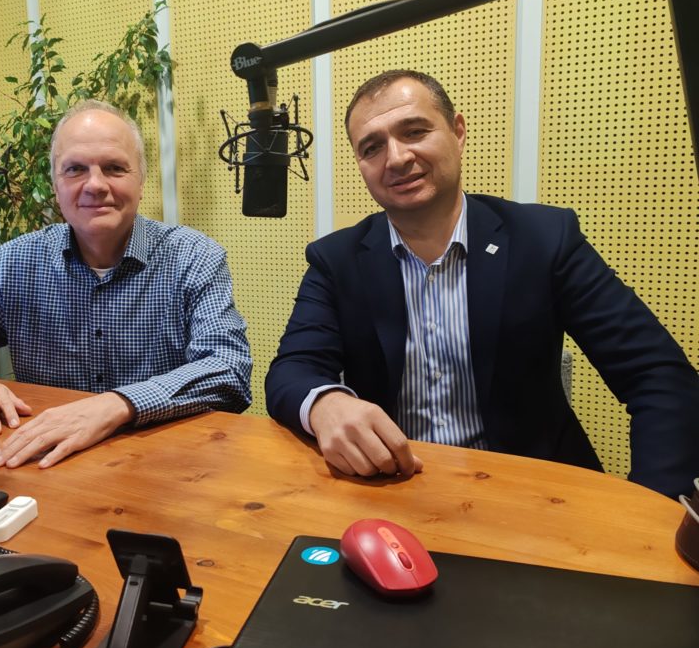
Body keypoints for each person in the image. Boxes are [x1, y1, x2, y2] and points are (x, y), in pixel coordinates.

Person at [265, 69, 699, 498]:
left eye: (414, 131)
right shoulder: (336, 260)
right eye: (372, 147)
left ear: (458, 132)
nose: (395, 158)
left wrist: (654, 512)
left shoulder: (545, 239)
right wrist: (325, 403)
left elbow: (657, 375)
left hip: (534, 496)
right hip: (393, 490)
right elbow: (291, 371)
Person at [0, 100, 252, 469]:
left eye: (114, 168)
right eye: (75, 169)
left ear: (141, 181)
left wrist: (118, 405)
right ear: (55, 185)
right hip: (48, 466)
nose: (95, 185)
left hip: (166, 468)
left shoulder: (194, 257)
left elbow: (228, 369)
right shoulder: (13, 264)